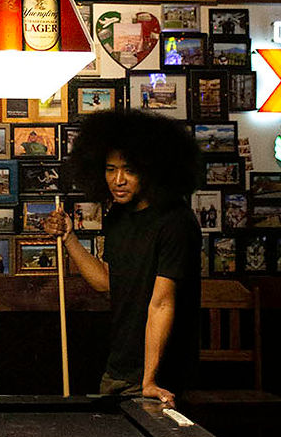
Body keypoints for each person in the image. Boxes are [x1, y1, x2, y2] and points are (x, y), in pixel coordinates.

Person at [44, 109, 201, 407]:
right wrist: (69, 238)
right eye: (110, 169)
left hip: (162, 377)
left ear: (151, 168)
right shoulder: (117, 216)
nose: (118, 180)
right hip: (118, 370)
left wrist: (150, 379)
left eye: (129, 169)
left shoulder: (176, 221)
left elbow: (162, 302)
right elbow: (107, 281)